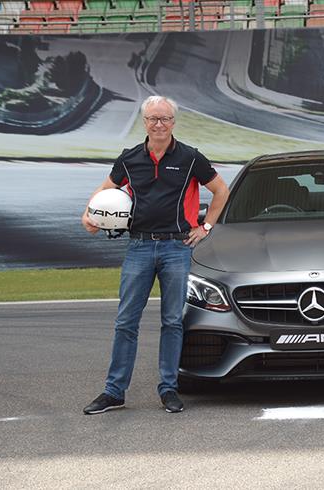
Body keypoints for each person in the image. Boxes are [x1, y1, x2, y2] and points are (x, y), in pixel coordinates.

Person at [82, 95, 230, 414]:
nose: (159, 124)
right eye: (153, 119)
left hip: (177, 247)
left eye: (164, 119)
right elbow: (103, 191)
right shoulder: (129, 158)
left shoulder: (191, 157)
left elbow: (221, 191)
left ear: (173, 123)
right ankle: (114, 391)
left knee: (172, 321)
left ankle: (168, 388)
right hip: (138, 246)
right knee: (125, 321)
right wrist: (88, 215)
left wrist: (205, 227)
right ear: (144, 122)